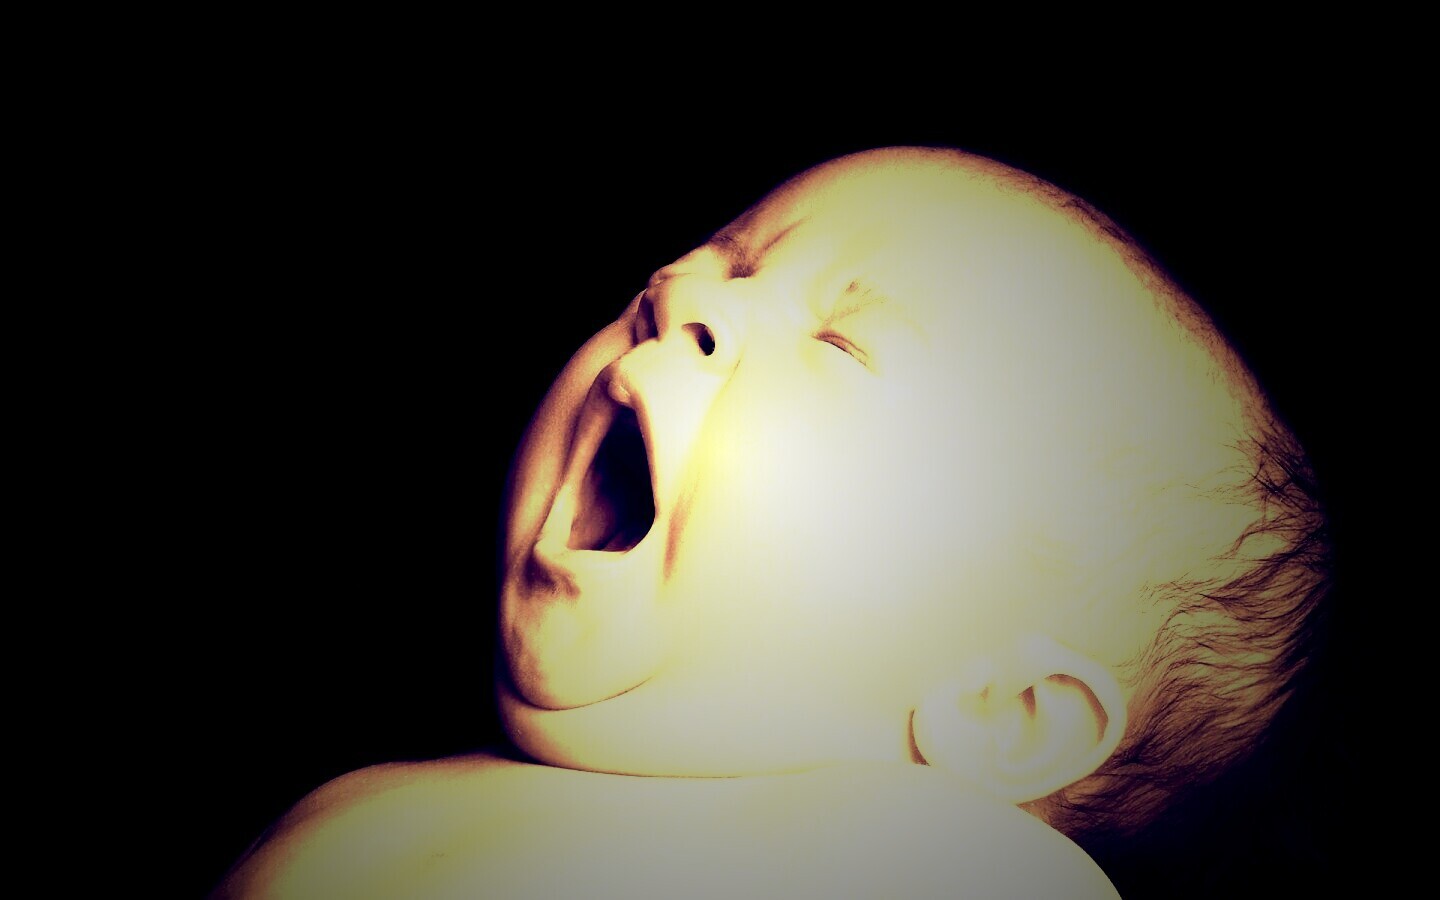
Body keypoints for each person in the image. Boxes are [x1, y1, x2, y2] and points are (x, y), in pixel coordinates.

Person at [212, 146, 1331, 898]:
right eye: (727, 257)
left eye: (840, 342)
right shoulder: (378, 795)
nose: (679, 288)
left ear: (1007, 714)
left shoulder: (959, 862)